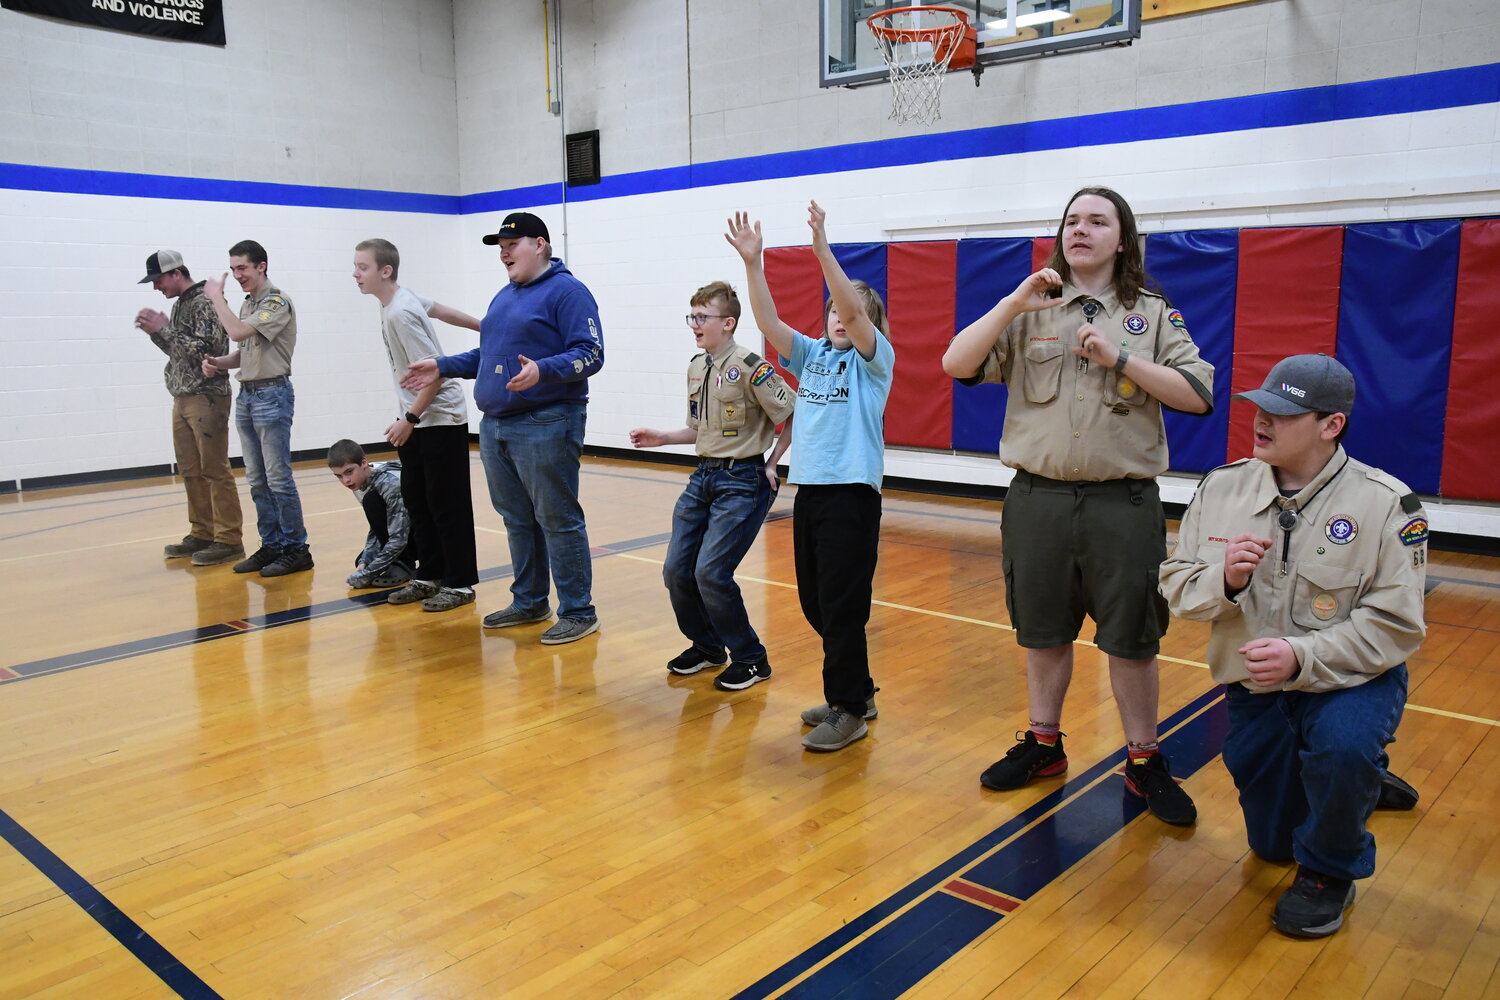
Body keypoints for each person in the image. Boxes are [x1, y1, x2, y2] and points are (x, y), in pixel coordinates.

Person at [941, 186, 1214, 824]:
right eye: (1070, 220)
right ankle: (1043, 743)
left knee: (1132, 638)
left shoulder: (1150, 313)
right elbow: (956, 363)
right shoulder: (1032, 309)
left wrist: (1120, 356)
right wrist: (1013, 302)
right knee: (1043, 629)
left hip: (1123, 503)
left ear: (1123, 240)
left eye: (1097, 221)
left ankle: (1144, 759)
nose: (1079, 230)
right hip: (1038, 498)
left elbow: (1198, 393)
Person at [1159, 354, 1427, 938]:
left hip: (1350, 680)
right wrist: (1224, 580)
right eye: (1260, 407)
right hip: (1258, 686)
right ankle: (1352, 782)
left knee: (1342, 748)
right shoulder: (1221, 488)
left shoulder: (1387, 505)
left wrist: (1303, 657)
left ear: (1331, 425)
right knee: (1273, 845)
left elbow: (1397, 625)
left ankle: (1332, 869)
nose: (1262, 421)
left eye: (1283, 413)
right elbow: (1176, 589)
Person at [726, 201, 895, 751]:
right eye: (833, 315)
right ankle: (859, 689)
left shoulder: (875, 360)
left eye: (851, 315)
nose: (840, 321)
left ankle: (848, 708)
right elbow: (769, 323)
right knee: (817, 604)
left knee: (843, 607)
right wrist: (754, 264)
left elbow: (857, 314)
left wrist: (822, 249)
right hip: (812, 493)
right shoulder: (814, 354)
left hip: (852, 494)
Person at [402, 212, 603, 644]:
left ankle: (578, 611)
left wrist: (543, 371)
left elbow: (592, 353)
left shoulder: (567, 292)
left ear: (541, 245)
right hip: (497, 426)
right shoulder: (504, 297)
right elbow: (487, 355)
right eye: (500, 246)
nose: (504, 252)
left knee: (557, 518)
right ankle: (530, 600)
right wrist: (441, 365)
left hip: (547, 422)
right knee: (517, 519)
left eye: (513, 244)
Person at [629, 281, 794, 687]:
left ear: (728, 322)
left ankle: (752, 658)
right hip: (703, 476)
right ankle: (707, 647)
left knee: (711, 572)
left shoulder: (753, 366)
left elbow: (793, 415)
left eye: (702, 317)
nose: (695, 325)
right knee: (675, 570)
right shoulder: (697, 367)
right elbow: (701, 430)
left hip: (742, 481)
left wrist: (772, 464)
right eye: (693, 316)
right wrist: (663, 438)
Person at [353, 238, 482, 613]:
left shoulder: (400, 314)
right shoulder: (398, 300)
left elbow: (436, 374)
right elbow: (440, 309)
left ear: (385, 271)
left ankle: (459, 584)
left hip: (439, 419)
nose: (355, 274)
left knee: (447, 505)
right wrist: (484, 326)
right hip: (418, 421)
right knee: (419, 501)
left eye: (362, 267)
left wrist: (409, 419)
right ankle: (430, 575)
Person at [201, 240, 312, 578]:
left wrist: (216, 298)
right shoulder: (250, 304)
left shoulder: (276, 302)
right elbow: (245, 349)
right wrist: (220, 363)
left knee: (278, 478)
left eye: (242, 269)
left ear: (261, 266)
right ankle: (272, 544)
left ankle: (297, 549)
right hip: (247, 395)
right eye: (233, 269)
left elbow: (236, 331)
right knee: (256, 479)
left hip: (271, 395)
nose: (237, 276)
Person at [133, 249, 244, 566]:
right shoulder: (181, 304)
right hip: (183, 396)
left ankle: (228, 539)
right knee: (191, 470)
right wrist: (157, 333)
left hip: (207, 395)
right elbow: (178, 351)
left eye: (158, 280)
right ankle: (202, 532)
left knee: (214, 469)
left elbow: (211, 350)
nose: (156, 287)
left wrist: (164, 329)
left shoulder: (204, 302)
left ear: (176, 273)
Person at [327, 439, 418, 589]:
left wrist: (367, 573)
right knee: (362, 560)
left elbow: (399, 537)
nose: (346, 480)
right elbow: (376, 526)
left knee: (372, 501)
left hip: (430, 536)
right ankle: (393, 561)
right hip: (405, 528)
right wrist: (365, 562)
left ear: (363, 463)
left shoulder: (389, 484)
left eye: (349, 472)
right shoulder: (361, 480)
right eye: (339, 476)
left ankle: (404, 565)